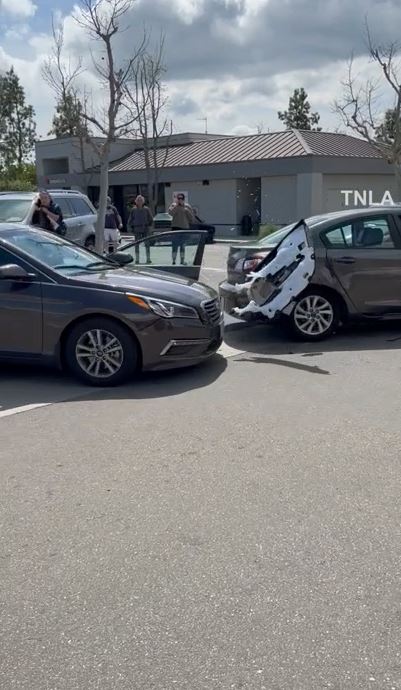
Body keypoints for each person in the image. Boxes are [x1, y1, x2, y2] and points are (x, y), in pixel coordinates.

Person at [168, 194, 195, 265]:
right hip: (175, 227)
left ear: (184, 199)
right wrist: (177, 206)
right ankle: (173, 260)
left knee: (182, 245)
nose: (180, 200)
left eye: (181, 199)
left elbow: (192, 218)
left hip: (184, 228)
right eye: (179, 198)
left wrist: (186, 210)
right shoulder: (173, 205)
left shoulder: (187, 206)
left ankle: (182, 260)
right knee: (174, 245)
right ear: (177, 199)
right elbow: (170, 213)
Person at [128, 195, 153, 263]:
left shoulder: (147, 209)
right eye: (138, 200)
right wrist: (130, 227)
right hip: (137, 228)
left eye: (141, 200)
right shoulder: (133, 210)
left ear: (143, 201)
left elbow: (151, 219)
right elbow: (130, 219)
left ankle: (148, 259)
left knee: (147, 244)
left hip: (145, 228)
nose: (139, 202)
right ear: (136, 201)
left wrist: (150, 227)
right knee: (136, 244)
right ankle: (137, 259)